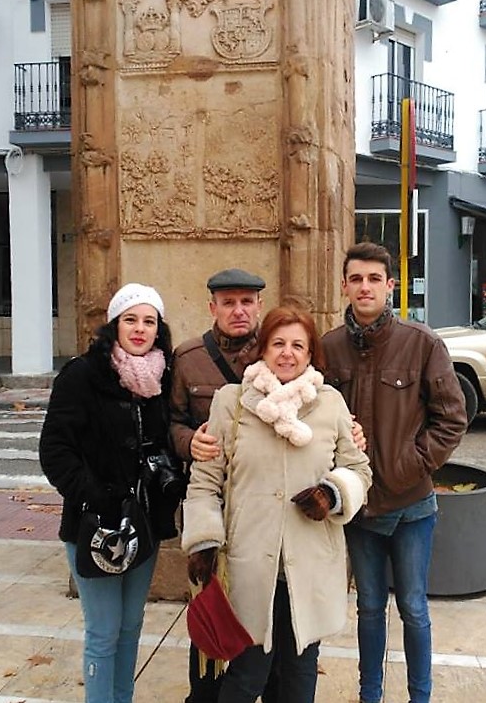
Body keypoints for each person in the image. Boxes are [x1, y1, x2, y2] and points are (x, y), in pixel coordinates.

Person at [182, 303, 372, 703]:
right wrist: (203, 541)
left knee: (299, 680)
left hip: (310, 567)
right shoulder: (231, 402)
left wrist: (333, 493)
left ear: (310, 354)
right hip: (248, 565)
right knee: (246, 676)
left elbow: (360, 469)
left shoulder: (330, 403)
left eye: (298, 346)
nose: (287, 353)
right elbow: (205, 480)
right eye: (278, 343)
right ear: (263, 349)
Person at [322, 242, 468, 703]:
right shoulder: (327, 348)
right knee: (368, 607)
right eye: (356, 279)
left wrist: (410, 464)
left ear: (390, 285)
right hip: (360, 508)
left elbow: (452, 418)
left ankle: (419, 696)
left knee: (413, 608)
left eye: (373, 279)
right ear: (344, 286)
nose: (364, 287)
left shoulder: (422, 343)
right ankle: (371, 695)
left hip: (411, 506)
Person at [39, 283, 182, 703]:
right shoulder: (83, 375)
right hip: (95, 525)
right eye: (130, 320)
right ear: (114, 325)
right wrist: (94, 496)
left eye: (149, 321)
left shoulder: (162, 377)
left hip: (145, 524)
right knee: (103, 631)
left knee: (131, 624)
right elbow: (55, 449)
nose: (139, 329)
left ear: (159, 329)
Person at [169, 267, 271, 703]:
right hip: (207, 505)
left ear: (259, 306)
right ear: (212, 307)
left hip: (260, 508)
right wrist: (191, 441)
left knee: (260, 610)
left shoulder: (278, 352)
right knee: (210, 604)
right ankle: (205, 691)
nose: (238, 310)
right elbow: (166, 423)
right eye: (228, 302)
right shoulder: (188, 357)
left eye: (247, 301)